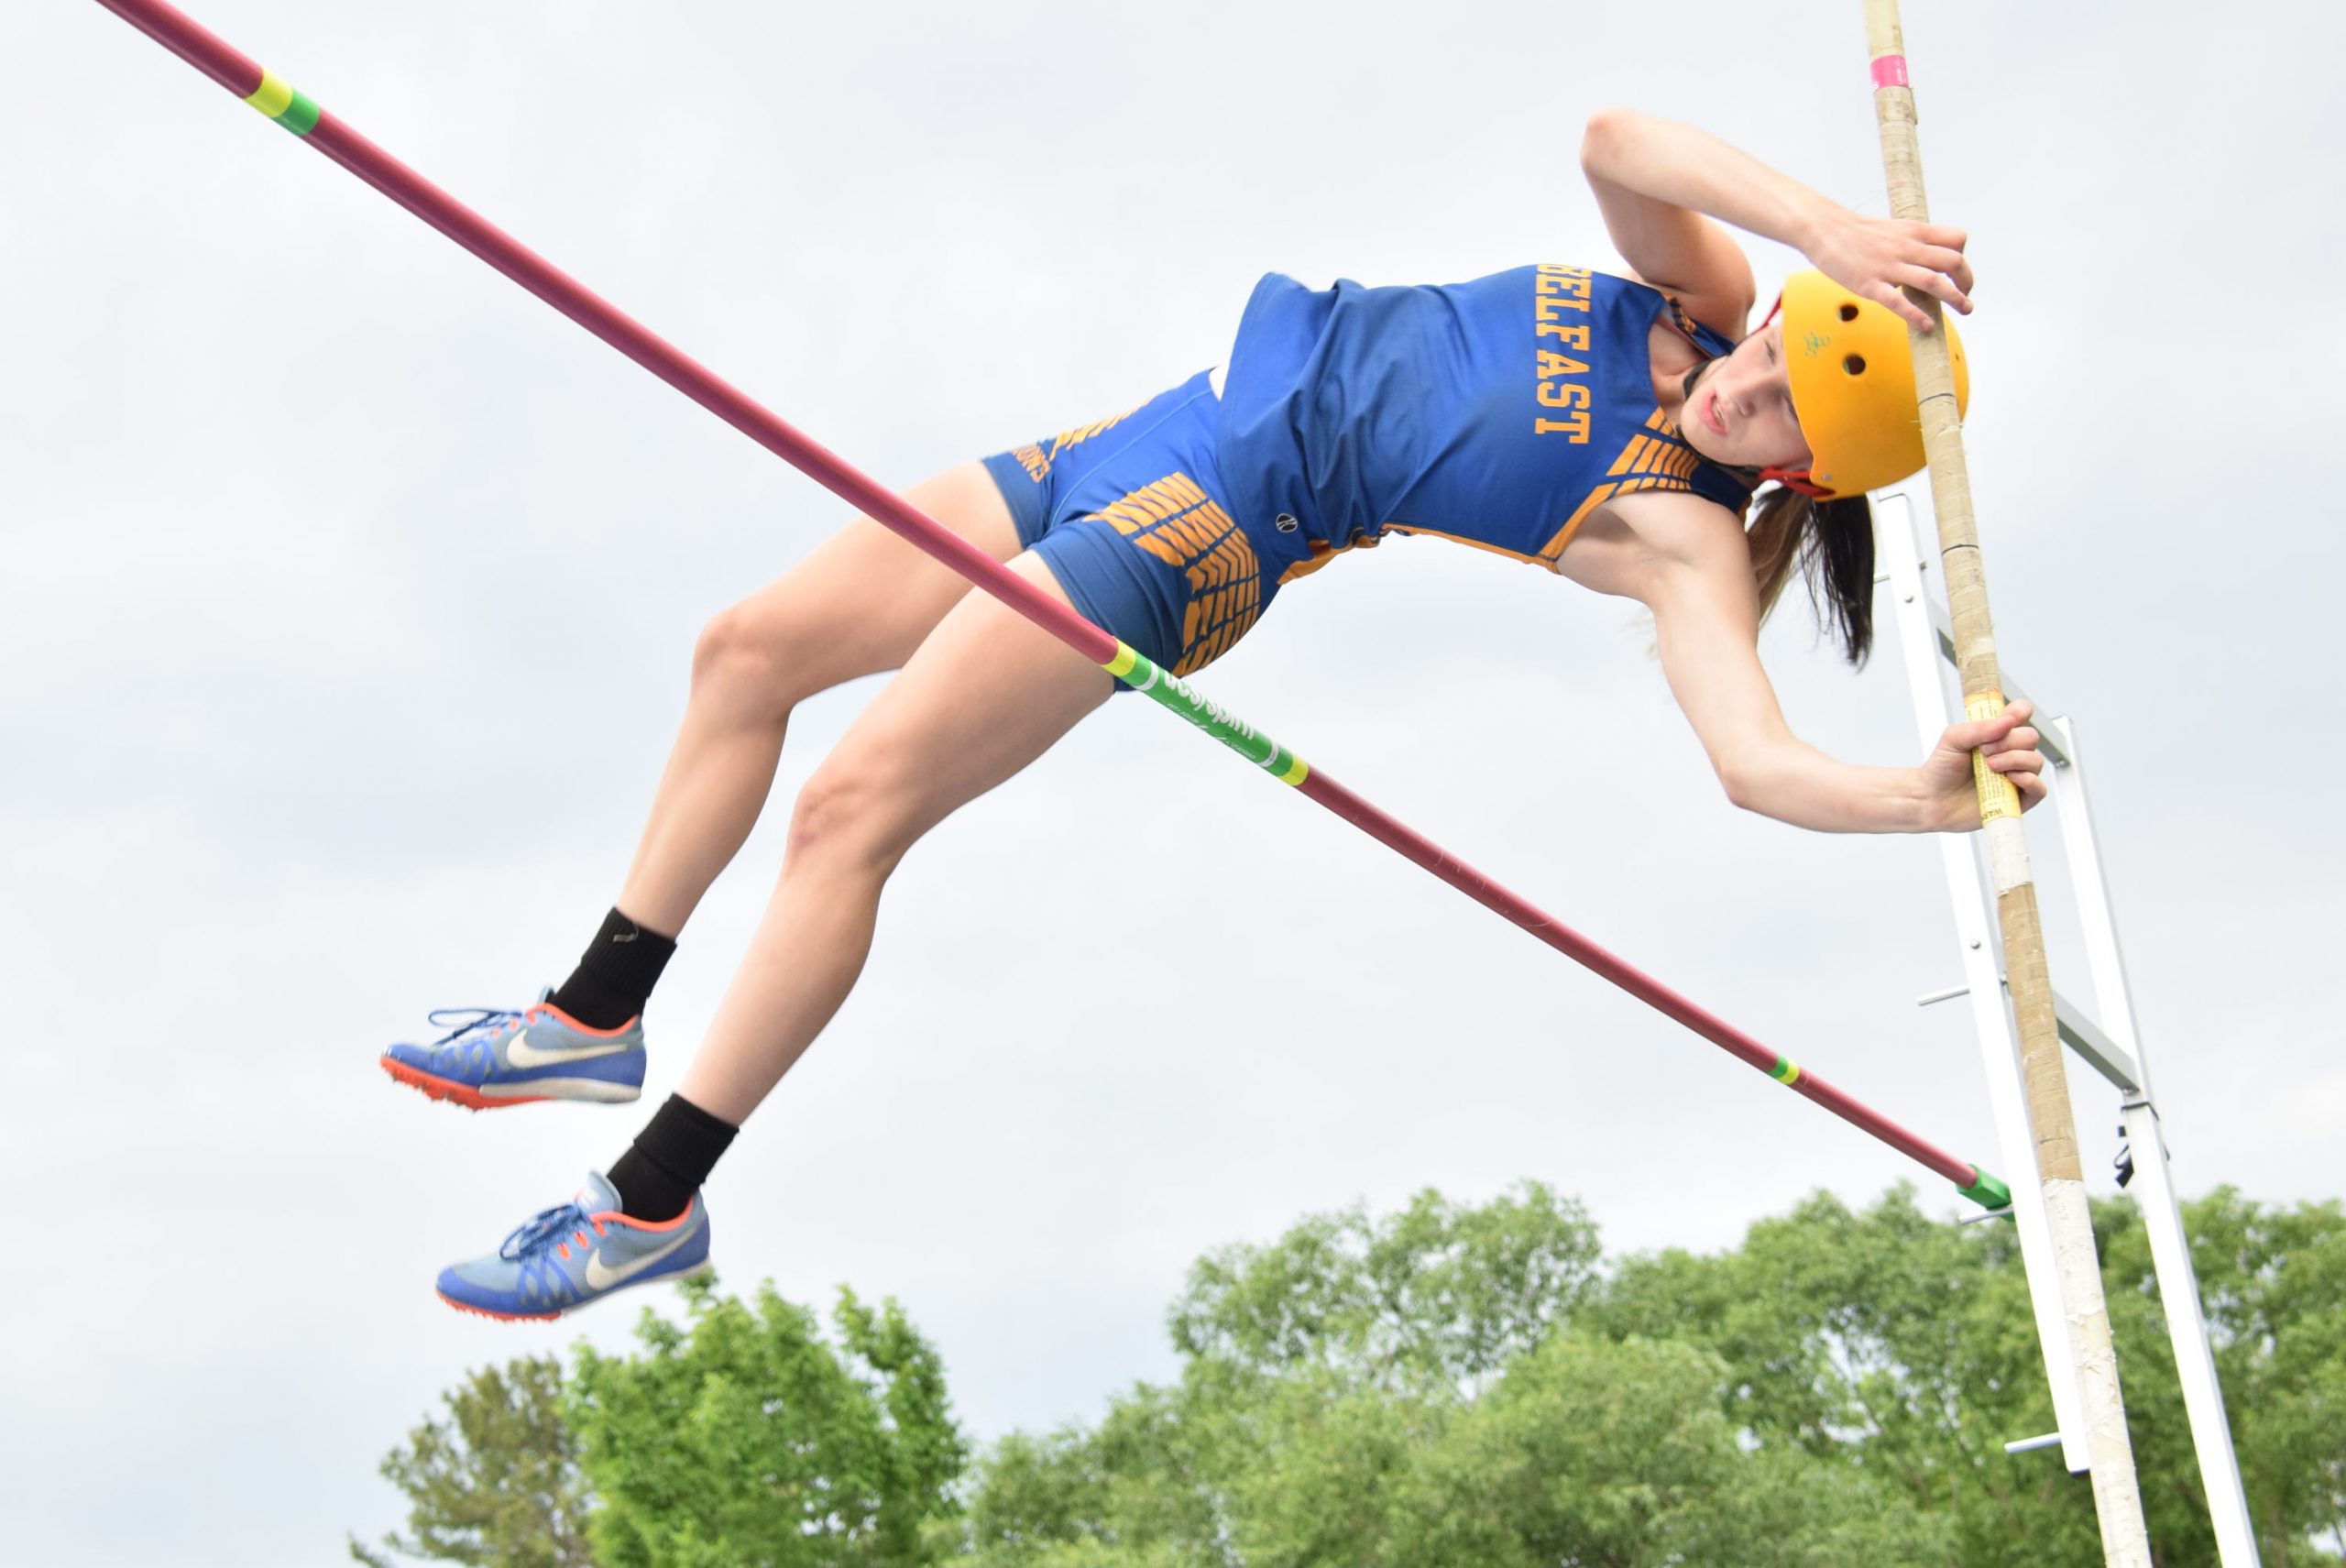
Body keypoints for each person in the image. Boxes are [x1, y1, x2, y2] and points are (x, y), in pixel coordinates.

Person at [386, 107, 2045, 1320]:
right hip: (1145, 435)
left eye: (1779, 416)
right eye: (1774, 354)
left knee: (849, 812)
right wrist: (1831, 231)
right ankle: (593, 1015)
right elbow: (1615, 138)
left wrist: (1923, 793)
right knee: (746, 651)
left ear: (1806, 473)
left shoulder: (1681, 535)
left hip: (1208, 534)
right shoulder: (1698, 293)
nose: (1745, 386)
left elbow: (1753, 766)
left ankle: (649, 1204)